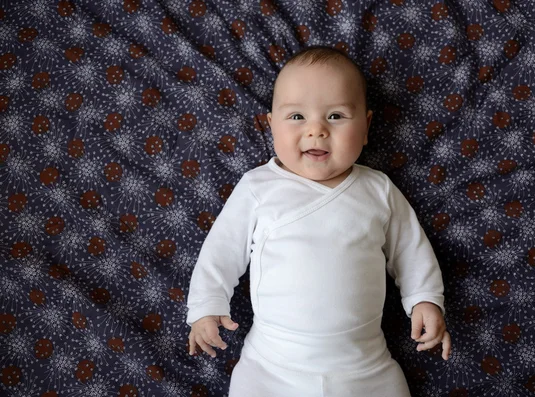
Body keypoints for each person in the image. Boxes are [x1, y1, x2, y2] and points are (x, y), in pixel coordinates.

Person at [186, 46, 451, 397]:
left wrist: (425, 300)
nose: (316, 131)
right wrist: (206, 308)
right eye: (296, 117)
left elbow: (411, 251)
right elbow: (220, 252)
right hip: (271, 366)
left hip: (365, 366)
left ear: (367, 126)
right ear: (271, 125)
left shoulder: (378, 189)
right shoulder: (258, 187)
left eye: (336, 116)